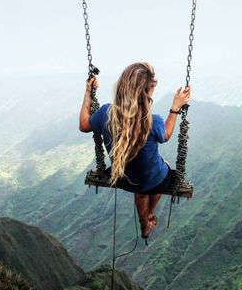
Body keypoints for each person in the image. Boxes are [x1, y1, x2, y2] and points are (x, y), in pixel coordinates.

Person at [79, 62, 191, 243]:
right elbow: (166, 135)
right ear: (147, 93)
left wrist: (87, 93)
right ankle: (148, 217)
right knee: (161, 175)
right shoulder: (152, 122)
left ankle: (144, 221)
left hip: (122, 179)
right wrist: (175, 108)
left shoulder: (105, 114)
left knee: (142, 187)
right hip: (152, 180)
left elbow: (83, 124)